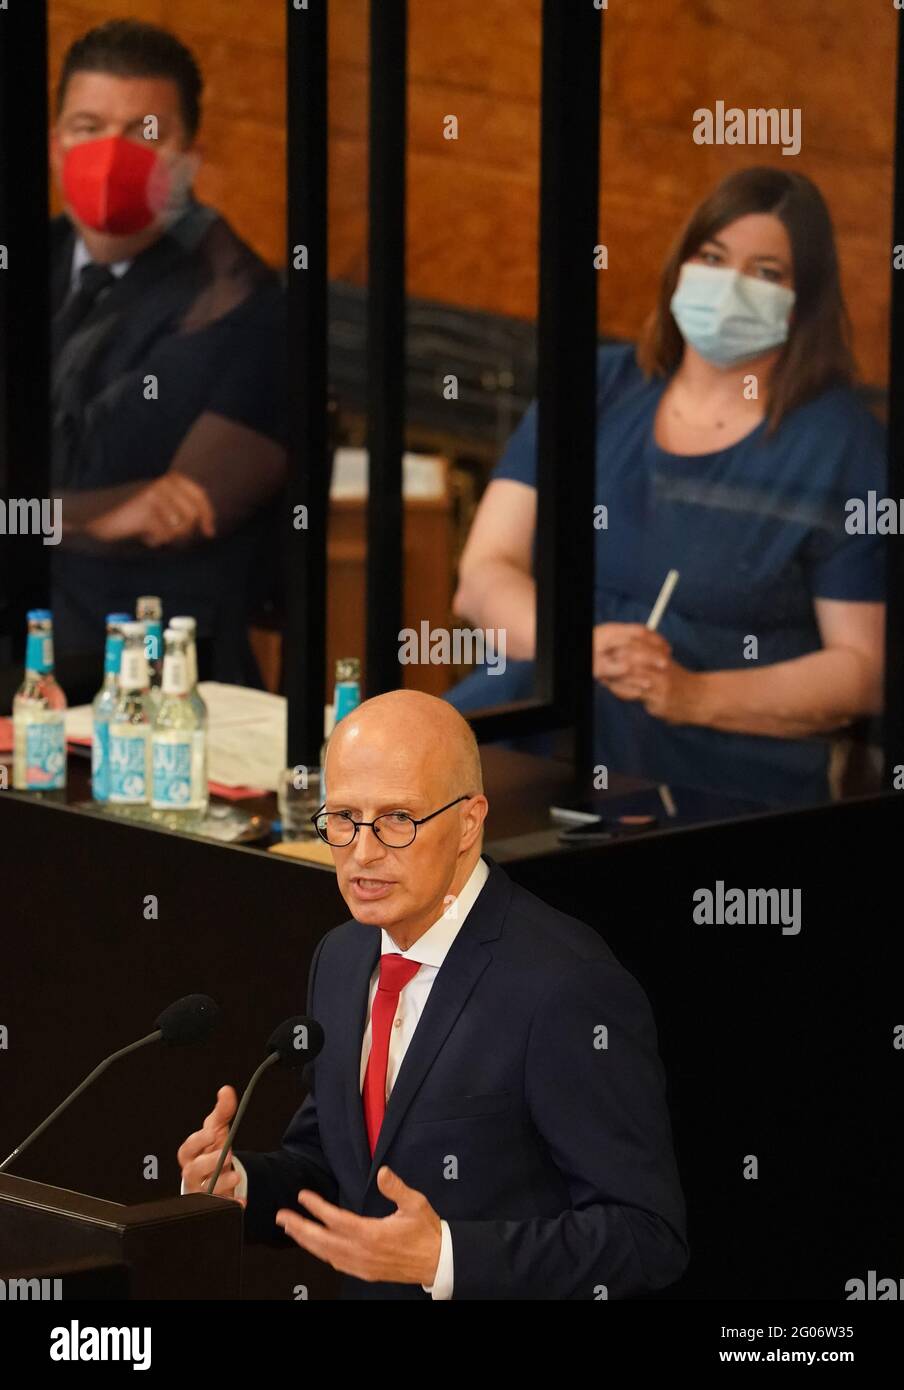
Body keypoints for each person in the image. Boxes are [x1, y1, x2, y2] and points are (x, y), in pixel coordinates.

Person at [178, 690, 688, 1300]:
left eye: (398, 819)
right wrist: (240, 1186)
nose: (363, 853)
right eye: (343, 818)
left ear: (469, 821)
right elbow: (339, 1168)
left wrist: (445, 1258)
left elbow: (646, 1237)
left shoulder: (566, 987)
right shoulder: (340, 958)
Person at [450, 168, 886, 807]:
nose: (730, 286)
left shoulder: (842, 444)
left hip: (722, 776)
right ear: (682, 264)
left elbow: (864, 671)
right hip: (532, 729)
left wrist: (694, 695)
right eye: (713, 258)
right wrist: (578, 649)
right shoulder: (595, 387)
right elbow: (485, 572)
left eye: (766, 272)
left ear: (805, 300)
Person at [48, 20, 287, 685]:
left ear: (189, 159)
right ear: (54, 144)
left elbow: (172, 520)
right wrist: (92, 514)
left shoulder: (246, 306)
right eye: (87, 127)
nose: (111, 154)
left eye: (145, 134)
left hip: (147, 678)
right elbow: (118, 517)